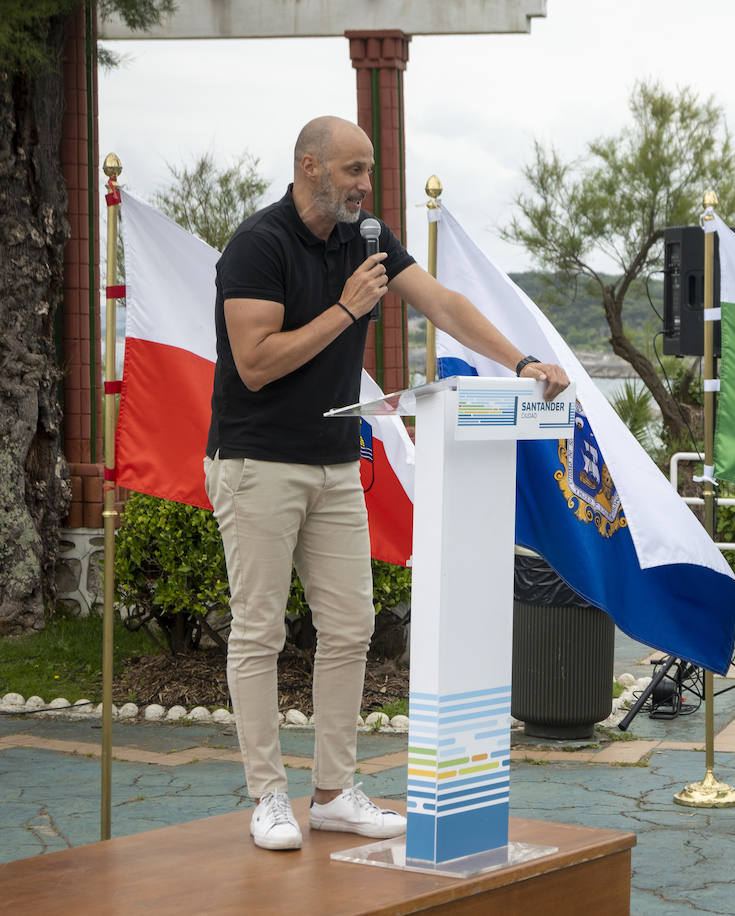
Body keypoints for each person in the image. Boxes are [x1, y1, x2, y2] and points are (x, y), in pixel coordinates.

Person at [204, 115, 570, 851]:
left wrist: (522, 363)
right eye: (351, 170)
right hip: (258, 462)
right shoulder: (257, 246)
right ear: (309, 167)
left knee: (351, 628)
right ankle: (269, 796)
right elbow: (256, 363)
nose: (365, 185)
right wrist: (347, 309)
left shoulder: (365, 236)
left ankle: (334, 792)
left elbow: (441, 303)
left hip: (338, 459)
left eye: (367, 171)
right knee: (260, 631)